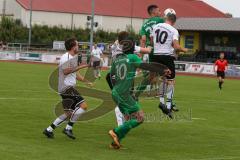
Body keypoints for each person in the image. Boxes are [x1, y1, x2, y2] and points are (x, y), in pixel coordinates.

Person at [108, 32, 170, 149]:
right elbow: (146, 66)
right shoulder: (132, 57)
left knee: (128, 118)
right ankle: (115, 132)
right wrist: (162, 70)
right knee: (140, 117)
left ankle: (116, 142)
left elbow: (111, 76)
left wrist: (118, 88)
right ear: (132, 47)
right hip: (124, 94)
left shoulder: (117, 59)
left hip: (115, 92)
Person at [43, 38, 92, 139]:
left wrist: (86, 81)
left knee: (68, 113)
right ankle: (68, 128)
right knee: (83, 106)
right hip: (66, 87)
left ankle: (49, 130)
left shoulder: (72, 57)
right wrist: (83, 66)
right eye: (77, 45)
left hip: (64, 87)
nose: (78, 47)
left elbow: (75, 73)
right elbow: (66, 71)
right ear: (73, 47)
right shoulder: (66, 57)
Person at [106, 32, 152, 127]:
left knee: (125, 99)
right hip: (124, 76)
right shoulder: (129, 47)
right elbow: (147, 51)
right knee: (126, 98)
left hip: (115, 74)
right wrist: (150, 47)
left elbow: (112, 45)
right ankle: (120, 124)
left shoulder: (116, 46)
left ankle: (125, 120)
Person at [151, 11, 188, 118]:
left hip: (156, 55)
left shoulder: (156, 26)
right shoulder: (173, 30)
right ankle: (168, 105)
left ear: (166, 18)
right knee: (170, 81)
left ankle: (161, 102)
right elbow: (176, 47)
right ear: (173, 21)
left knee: (162, 79)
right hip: (166, 57)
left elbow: (152, 40)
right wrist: (184, 49)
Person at [135, 4, 164, 99]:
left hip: (150, 51)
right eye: (159, 11)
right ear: (153, 12)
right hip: (161, 50)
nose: (160, 12)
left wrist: (141, 55)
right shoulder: (160, 20)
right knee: (167, 73)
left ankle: (136, 95)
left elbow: (143, 40)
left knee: (151, 77)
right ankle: (164, 97)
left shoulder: (144, 25)